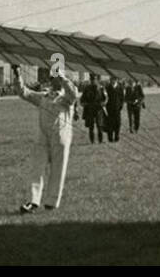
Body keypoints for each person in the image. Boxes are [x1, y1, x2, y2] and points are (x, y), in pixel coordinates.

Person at [16, 64, 79, 212]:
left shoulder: (66, 98)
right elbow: (23, 93)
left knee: (58, 170)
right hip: (42, 137)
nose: (53, 81)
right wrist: (17, 74)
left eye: (56, 78)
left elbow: (74, 94)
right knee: (36, 168)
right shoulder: (43, 96)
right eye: (52, 78)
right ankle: (33, 201)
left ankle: (52, 202)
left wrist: (62, 77)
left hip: (60, 138)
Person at [81, 73, 105, 144]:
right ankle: (92, 141)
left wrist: (103, 103)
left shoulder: (101, 88)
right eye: (91, 80)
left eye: (94, 79)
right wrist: (84, 103)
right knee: (91, 127)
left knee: (99, 126)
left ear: (96, 80)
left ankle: (100, 141)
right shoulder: (87, 88)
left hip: (98, 109)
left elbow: (105, 98)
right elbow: (82, 99)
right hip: (90, 109)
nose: (93, 81)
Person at [104, 76, 125, 142]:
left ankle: (117, 137)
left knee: (117, 123)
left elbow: (122, 98)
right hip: (109, 109)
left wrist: (120, 106)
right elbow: (105, 97)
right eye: (112, 79)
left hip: (117, 109)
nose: (113, 81)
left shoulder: (120, 88)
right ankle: (110, 138)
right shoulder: (107, 88)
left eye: (114, 79)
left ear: (116, 80)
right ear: (110, 80)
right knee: (110, 124)